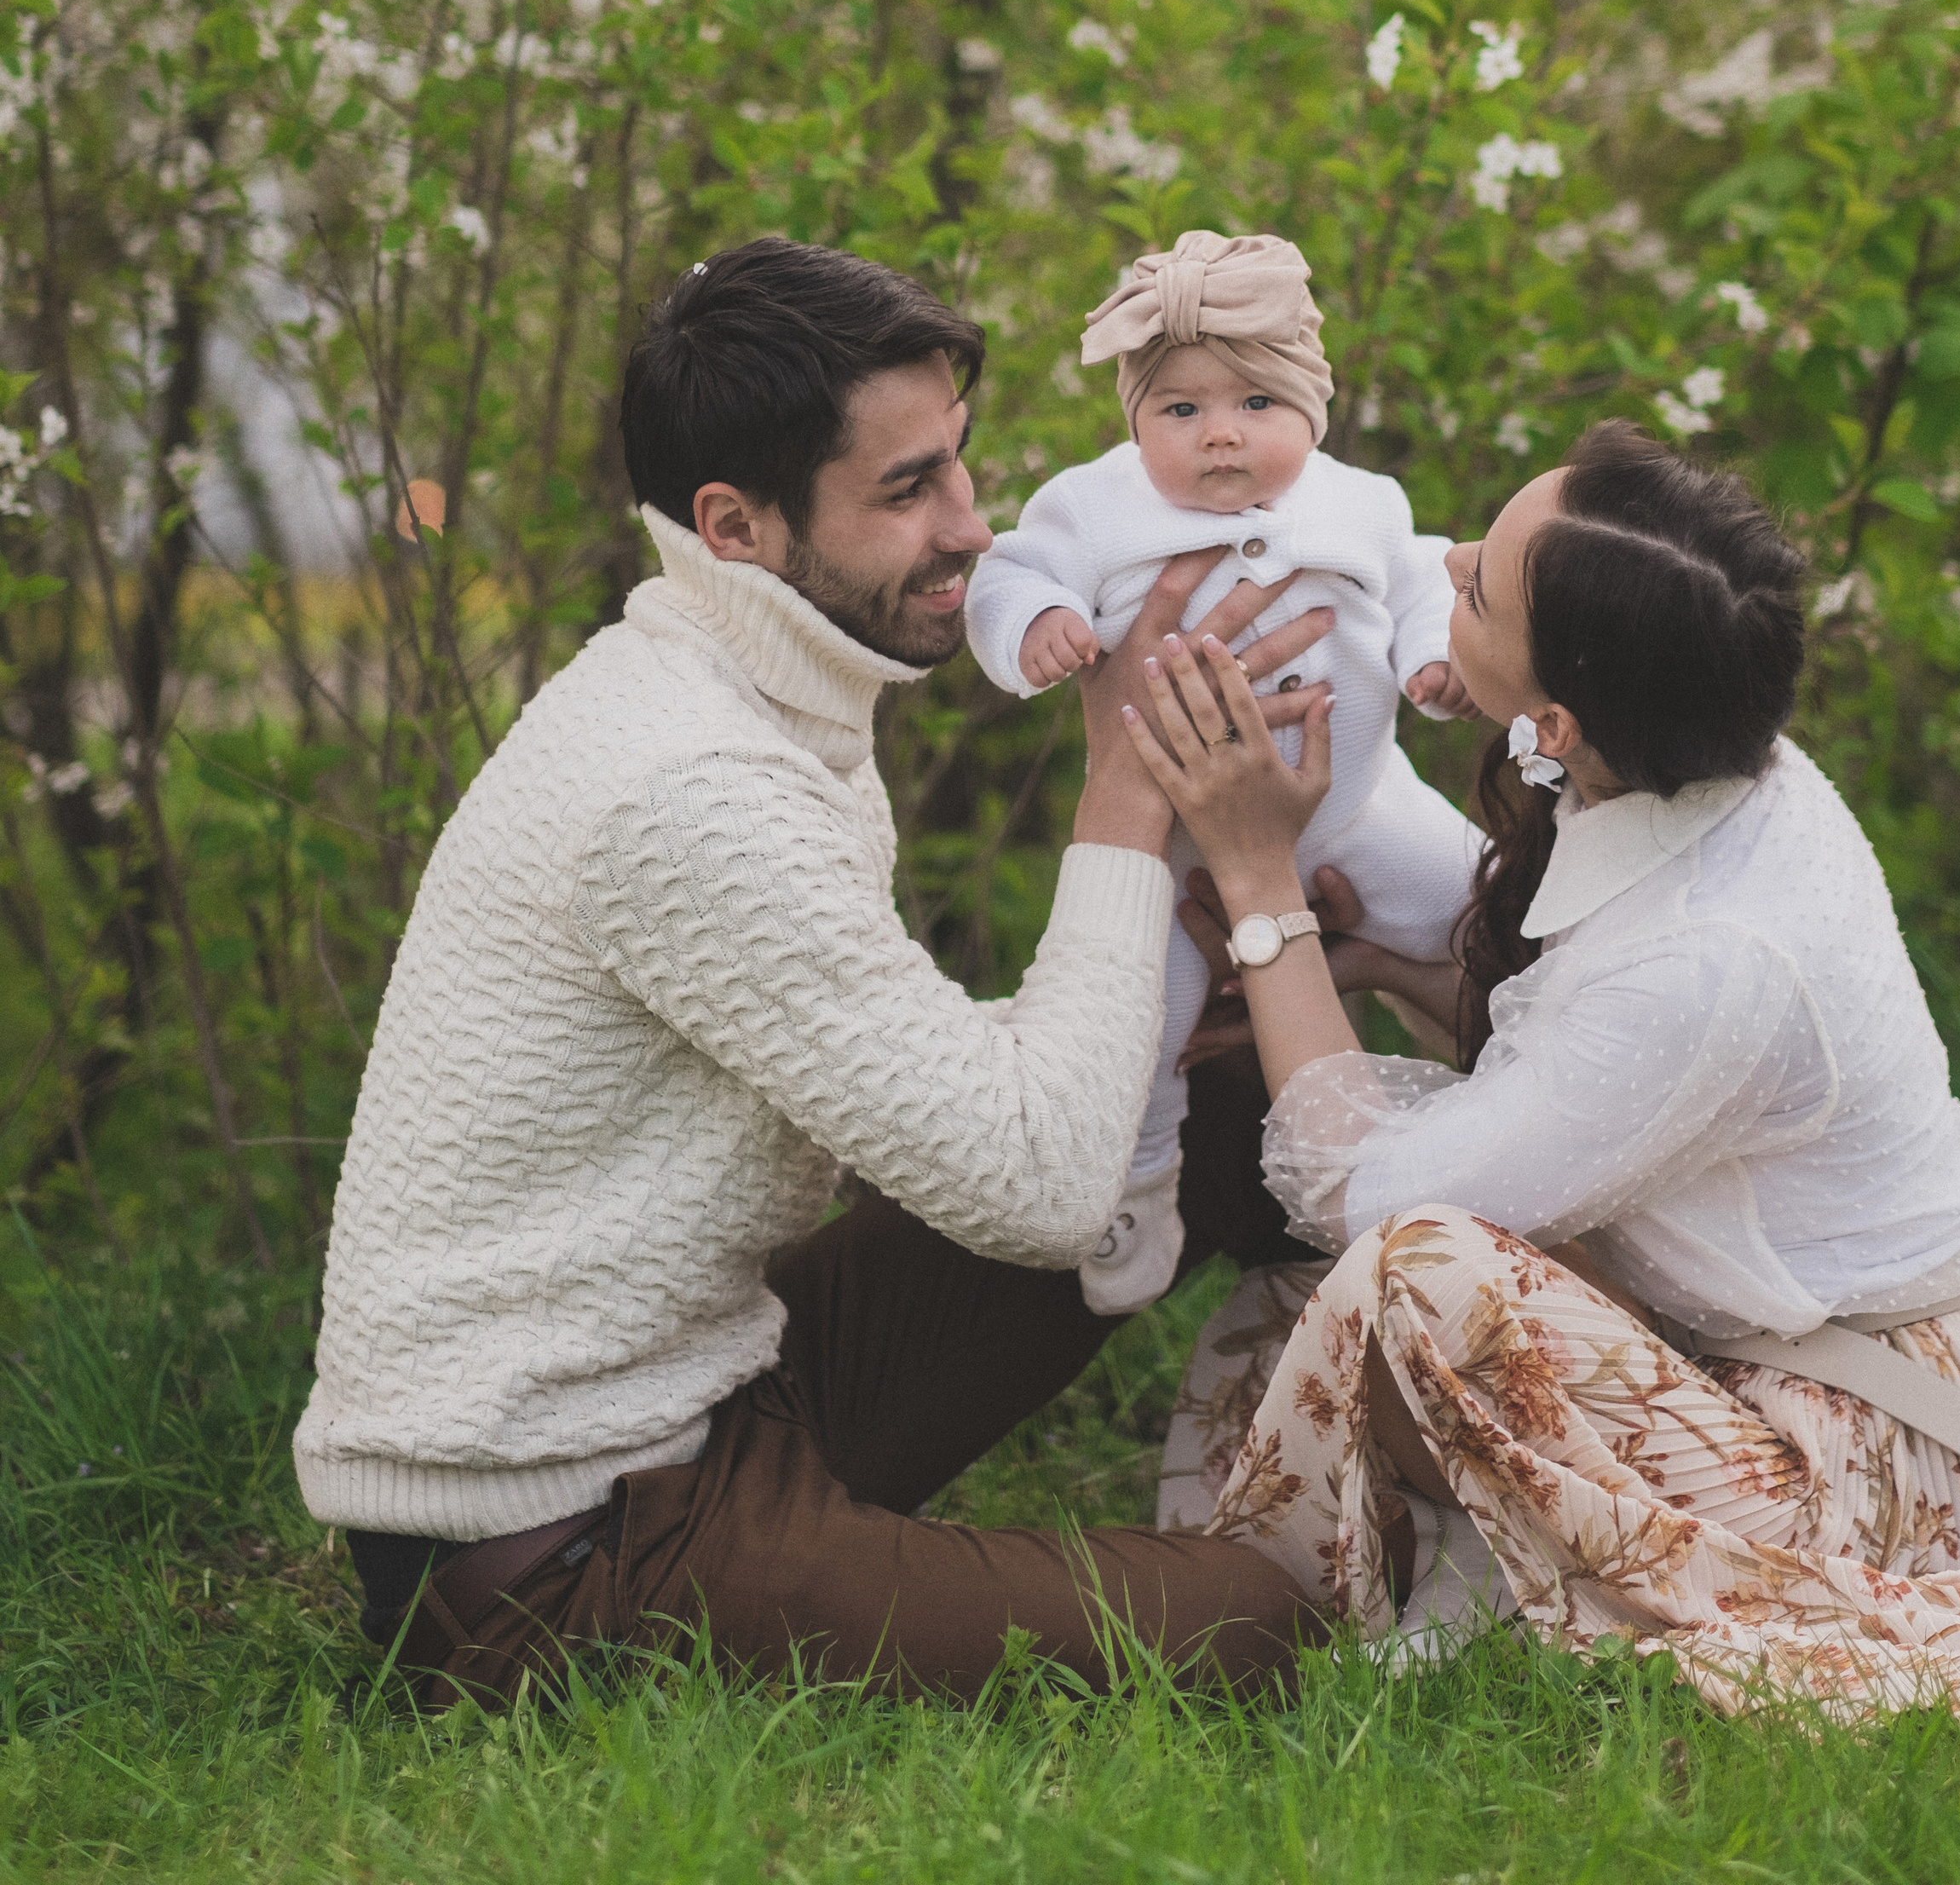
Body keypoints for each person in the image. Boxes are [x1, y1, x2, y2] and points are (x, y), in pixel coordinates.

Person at [292, 236, 1335, 1708]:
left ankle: (1469, 1412)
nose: (971, 530)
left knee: (1220, 1095)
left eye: (958, 466)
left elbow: (927, 1084)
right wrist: (1127, 792)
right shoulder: (688, 788)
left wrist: (1240, 925)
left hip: (711, 1387)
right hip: (560, 1544)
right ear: (737, 524)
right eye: (906, 491)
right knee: (1263, 1620)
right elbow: (1043, 1186)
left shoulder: (754, 698)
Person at [1118, 421, 1960, 1721]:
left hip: (1878, 1472)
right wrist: (1376, 966)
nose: (1444, 561)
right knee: (1326, 1306)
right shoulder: (1710, 768)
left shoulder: (1710, 957)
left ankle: (1428, 1613)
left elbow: (1366, 1201)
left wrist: (1255, 872)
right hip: (1820, 1375)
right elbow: (1582, 1048)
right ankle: (1492, 1582)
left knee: (1417, 1278)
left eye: (1479, 588)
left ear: (1561, 718)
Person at [966, 230, 1473, 1317]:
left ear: (1311, 409)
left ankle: (1530, 1072)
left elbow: (1429, 574)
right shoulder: (1092, 504)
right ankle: (1137, 1179)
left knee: (1484, 911)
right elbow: (1008, 570)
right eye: (1179, 411)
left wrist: (1434, 657)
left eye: (1255, 404)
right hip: (1175, 844)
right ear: (1137, 420)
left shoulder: (1360, 502)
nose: (1219, 436)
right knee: (1138, 1025)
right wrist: (1039, 623)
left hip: (1358, 807)